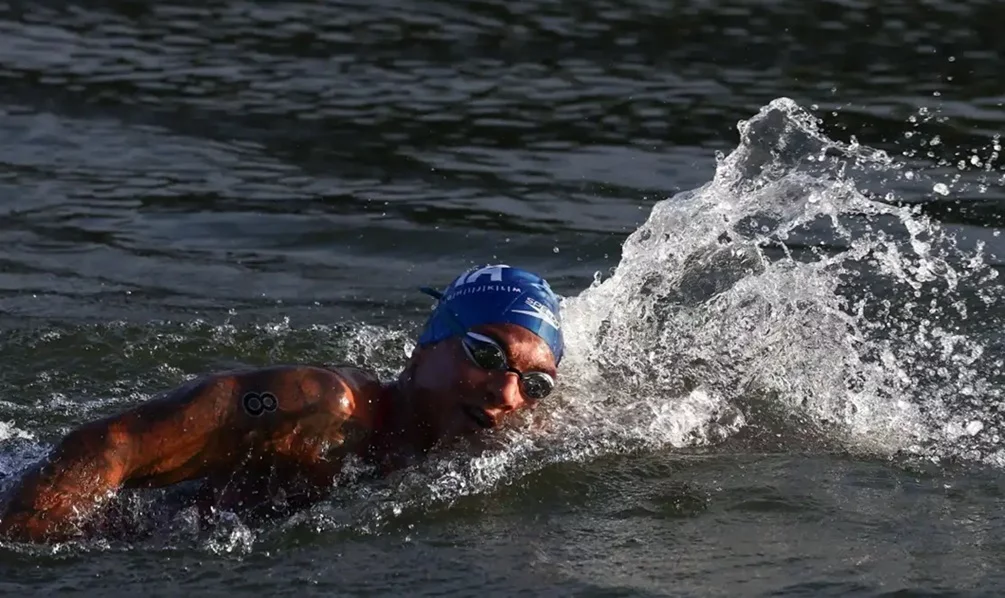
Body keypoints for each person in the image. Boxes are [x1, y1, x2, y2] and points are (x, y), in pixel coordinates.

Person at [0, 264, 564, 543]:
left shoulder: (504, 441)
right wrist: (25, 550)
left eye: (534, 383)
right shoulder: (320, 407)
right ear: (424, 348)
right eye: (486, 355)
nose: (507, 393)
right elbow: (114, 446)